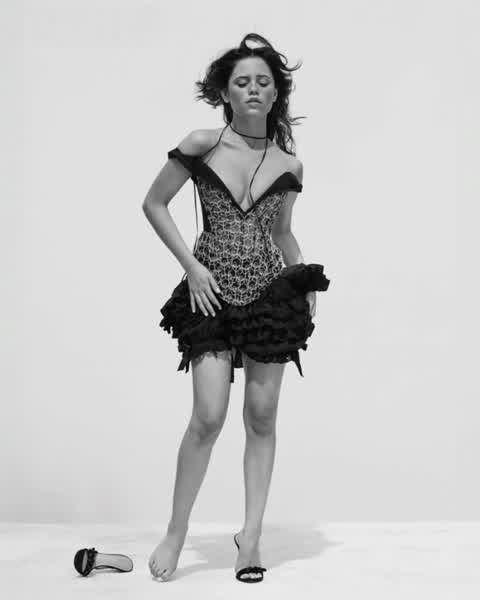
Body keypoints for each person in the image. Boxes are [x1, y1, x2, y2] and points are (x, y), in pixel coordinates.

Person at [142, 33, 330, 583]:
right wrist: (191, 267)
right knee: (208, 416)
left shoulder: (290, 163)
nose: (252, 89)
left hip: (270, 295)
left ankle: (251, 537)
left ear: (275, 94)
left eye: (262, 82)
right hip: (210, 292)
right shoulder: (202, 143)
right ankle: (175, 531)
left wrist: (303, 281)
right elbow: (154, 203)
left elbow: (283, 232)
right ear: (225, 93)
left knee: (262, 417)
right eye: (241, 81)